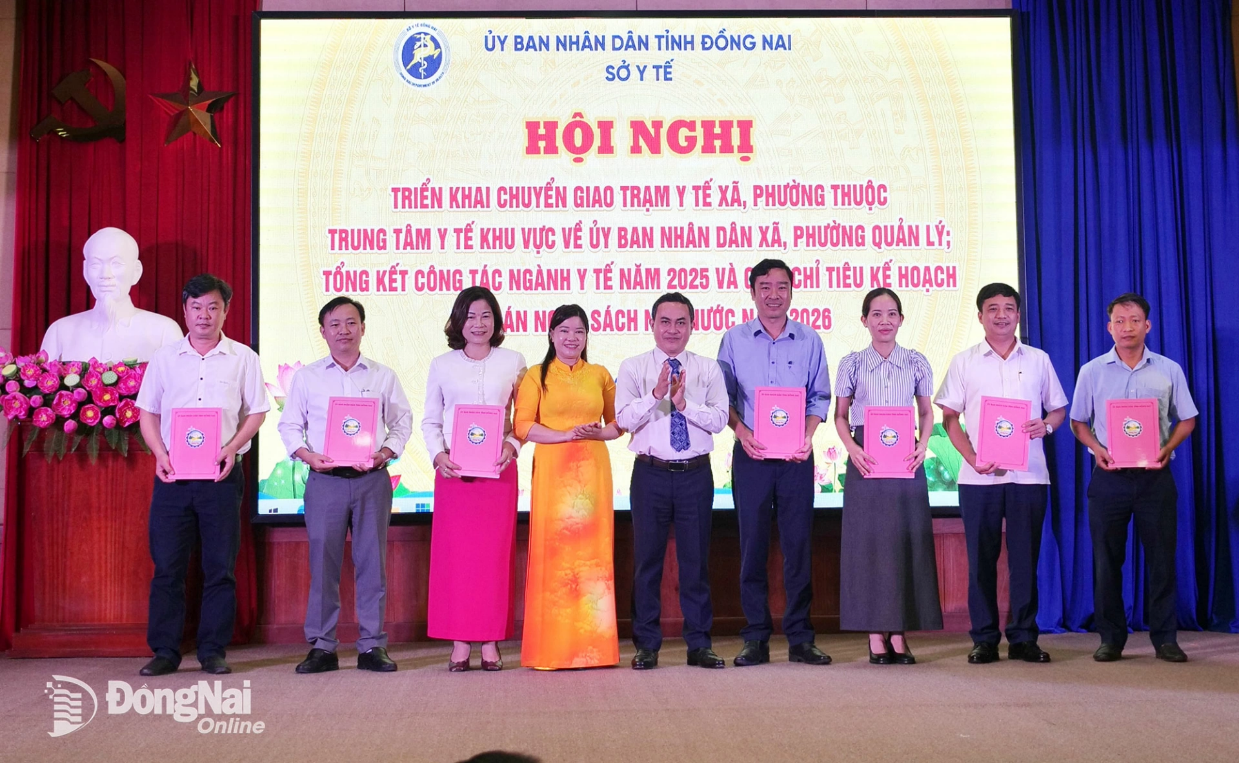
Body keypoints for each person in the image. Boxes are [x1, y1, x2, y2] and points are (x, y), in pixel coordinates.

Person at [134, 274, 268, 676]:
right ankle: (165, 651)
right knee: (168, 567)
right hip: (173, 478)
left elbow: (257, 411)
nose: (204, 315)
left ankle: (212, 650)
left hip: (221, 477)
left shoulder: (243, 357)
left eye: (213, 307)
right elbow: (148, 412)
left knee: (219, 567)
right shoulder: (164, 358)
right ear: (185, 311)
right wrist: (160, 454)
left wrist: (232, 447)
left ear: (226, 311)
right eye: (196, 307)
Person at [934, 283, 1068, 664]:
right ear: (980, 316)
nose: (1001, 315)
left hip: (1029, 477)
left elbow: (1058, 409)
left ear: (1018, 315)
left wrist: (1047, 425)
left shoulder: (1039, 360)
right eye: (992, 308)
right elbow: (949, 418)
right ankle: (985, 639)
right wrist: (972, 457)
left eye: (1009, 308)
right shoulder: (964, 362)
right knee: (981, 561)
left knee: (1025, 561)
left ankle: (1024, 638)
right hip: (979, 478)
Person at [278, 296, 412, 674]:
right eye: (335, 324)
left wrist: (385, 452)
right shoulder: (308, 378)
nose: (343, 331)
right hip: (326, 481)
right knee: (324, 565)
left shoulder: (383, 376)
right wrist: (307, 455)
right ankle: (322, 647)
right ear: (323, 331)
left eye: (351, 323)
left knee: (373, 565)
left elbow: (402, 422)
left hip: (372, 481)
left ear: (363, 328)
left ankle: (372, 646)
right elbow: (290, 425)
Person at [716, 258, 833, 667]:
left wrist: (808, 435)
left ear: (791, 291)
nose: (773, 294)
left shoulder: (809, 339)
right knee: (753, 546)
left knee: (798, 546)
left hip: (796, 457)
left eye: (781, 286)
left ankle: (801, 638)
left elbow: (819, 396)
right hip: (751, 456)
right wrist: (741, 432)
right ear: (752, 292)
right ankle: (756, 638)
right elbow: (723, 399)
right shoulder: (733, 339)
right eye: (764, 287)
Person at [1069, 293, 1197, 663]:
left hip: (1155, 477)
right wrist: (1097, 448)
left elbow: (1187, 419)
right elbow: (1078, 422)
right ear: (1109, 327)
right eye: (1120, 321)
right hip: (1109, 478)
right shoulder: (1092, 371)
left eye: (1135, 320)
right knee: (1106, 561)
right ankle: (1111, 639)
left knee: (1162, 561)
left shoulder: (1169, 369)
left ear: (1147, 325)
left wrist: (1166, 448)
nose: (1127, 327)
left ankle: (1165, 639)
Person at [615, 292, 729, 670]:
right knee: (647, 563)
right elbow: (624, 420)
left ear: (692, 327)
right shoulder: (633, 368)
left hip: (695, 474)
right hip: (650, 474)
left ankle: (699, 644)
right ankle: (647, 645)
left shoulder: (708, 369)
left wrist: (683, 405)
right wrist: (656, 395)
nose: (672, 330)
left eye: (681, 322)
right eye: (665, 322)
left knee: (695, 563)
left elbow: (719, 420)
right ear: (652, 325)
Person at [834, 288, 943, 664]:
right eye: (876, 314)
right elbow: (840, 416)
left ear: (901, 319)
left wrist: (922, 444)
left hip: (904, 459)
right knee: (869, 545)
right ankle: (873, 632)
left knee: (903, 543)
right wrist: (853, 449)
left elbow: (926, 412)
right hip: (866, 458)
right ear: (864, 320)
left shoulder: (915, 362)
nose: (884, 321)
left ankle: (898, 631)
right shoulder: (851, 363)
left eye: (892, 313)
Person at [422, 287, 526, 671]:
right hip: (455, 474)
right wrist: (438, 455)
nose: (478, 324)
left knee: (494, 558)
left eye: (486, 316)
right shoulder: (441, 365)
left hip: (498, 472)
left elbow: (524, 418)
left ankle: (491, 641)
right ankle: (460, 640)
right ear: (458, 321)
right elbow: (430, 420)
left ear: (496, 321)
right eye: (470, 316)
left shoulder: (514, 361)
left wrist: (513, 445)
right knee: (457, 559)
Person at [513, 304, 622, 669]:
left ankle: (595, 650)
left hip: (592, 473)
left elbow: (617, 425)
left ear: (586, 336)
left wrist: (596, 433)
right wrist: (564, 435)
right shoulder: (536, 375)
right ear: (551, 335)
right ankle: (553, 650)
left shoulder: (600, 374)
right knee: (556, 559)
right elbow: (523, 426)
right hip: (554, 473)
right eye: (564, 330)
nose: (572, 338)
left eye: (579, 331)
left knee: (592, 559)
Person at [41, 227, 182, 362]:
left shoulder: (164, 331)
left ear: (136, 271)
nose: (105, 275)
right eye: (95, 265)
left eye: (116, 264)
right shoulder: (60, 331)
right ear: (85, 271)